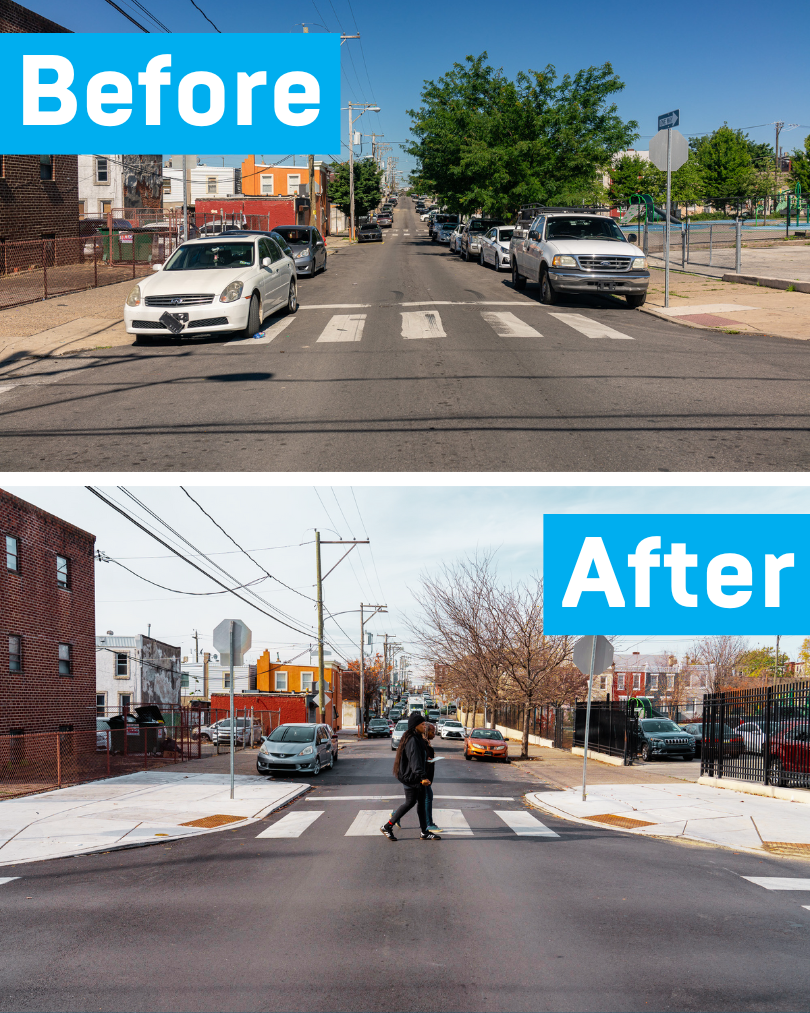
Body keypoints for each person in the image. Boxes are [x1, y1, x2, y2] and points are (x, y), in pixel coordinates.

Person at [380, 712, 441, 841]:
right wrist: (423, 777)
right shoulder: (412, 739)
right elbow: (414, 761)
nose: (425, 726)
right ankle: (387, 826)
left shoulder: (416, 737)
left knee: (418, 803)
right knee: (410, 802)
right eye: (422, 724)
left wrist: (426, 759)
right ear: (415, 726)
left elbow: (417, 757)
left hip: (413, 775)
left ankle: (424, 831)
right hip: (411, 777)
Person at [423, 722, 442, 835]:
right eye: (432, 732)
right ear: (426, 732)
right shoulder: (422, 743)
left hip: (426, 777)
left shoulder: (426, 743)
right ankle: (429, 824)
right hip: (423, 778)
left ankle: (396, 815)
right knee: (428, 798)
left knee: (412, 801)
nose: (434, 734)